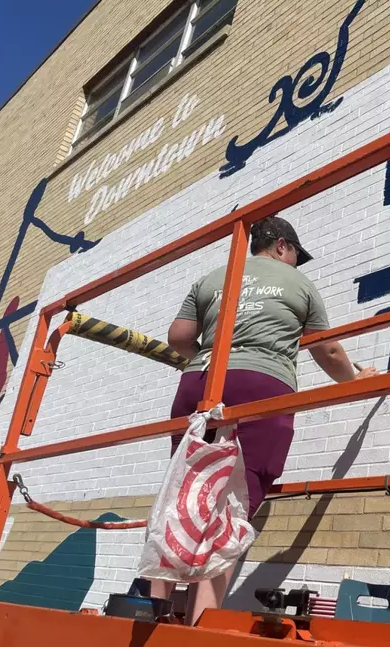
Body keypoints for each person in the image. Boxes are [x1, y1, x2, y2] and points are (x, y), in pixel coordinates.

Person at [150, 214, 377, 624]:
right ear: (282, 247)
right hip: (262, 384)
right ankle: (201, 622)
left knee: (184, 492)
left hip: (198, 383)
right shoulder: (300, 284)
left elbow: (179, 338)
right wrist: (356, 378)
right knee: (238, 499)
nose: (294, 263)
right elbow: (326, 351)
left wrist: (213, 356)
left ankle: (153, 608)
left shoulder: (211, 279)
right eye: (294, 255)